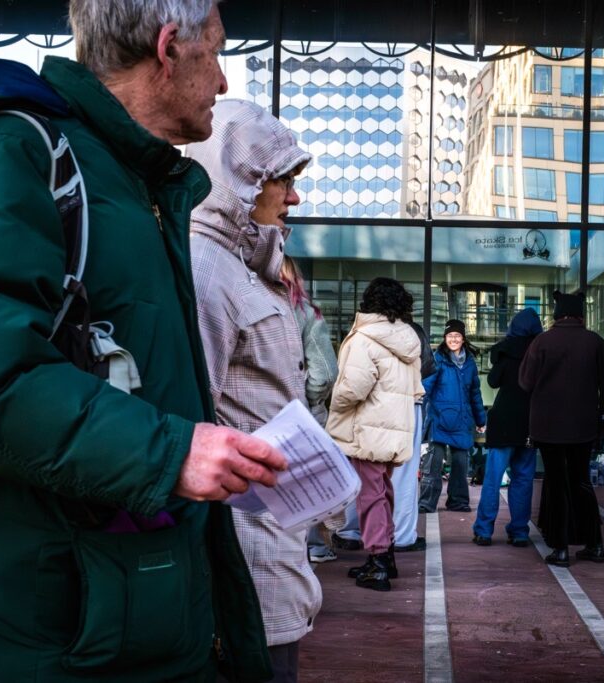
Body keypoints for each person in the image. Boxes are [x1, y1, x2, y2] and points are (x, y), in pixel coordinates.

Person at [0, 2, 287, 680]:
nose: (223, 83)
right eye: (217, 53)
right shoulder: (21, 149)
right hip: (54, 634)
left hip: (124, 622)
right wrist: (171, 451)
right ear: (169, 47)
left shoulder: (140, 184)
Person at [185, 99, 321, 681]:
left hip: (271, 539)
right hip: (244, 552)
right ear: (239, 182)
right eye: (282, 180)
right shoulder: (206, 270)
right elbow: (192, 423)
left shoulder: (240, 267)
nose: (293, 197)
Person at [326, 278, 424, 591]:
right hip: (394, 429)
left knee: (370, 496)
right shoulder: (408, 338)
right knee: (383, 491)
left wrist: (334, 399)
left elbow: (354, 387)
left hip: (368, 429)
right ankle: (385, 557)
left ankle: (378, 561)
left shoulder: (364, 337)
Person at [519, 291, 604, 567]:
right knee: (582, 481)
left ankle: (560, 548)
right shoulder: (595, 342)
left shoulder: (542, 342)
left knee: (556, 484)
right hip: (583, 425)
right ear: (581, 315)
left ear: (557, 314)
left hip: (548, 426)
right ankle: (594, 544)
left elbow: (525, 382)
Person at [280, 254, 341, 564]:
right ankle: (316, 543)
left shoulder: (242, 302)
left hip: (255, 414)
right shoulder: (305, 313)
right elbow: (326, 372)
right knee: (307, 481)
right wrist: (310, 399)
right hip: (300, 415)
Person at [472, 308, 542, 547]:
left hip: (503, 422)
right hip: (530, 423)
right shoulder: (541, 351)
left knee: (493, 477)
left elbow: (493, 381)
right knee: (523, 478)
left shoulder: (507, 349)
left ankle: (484, 530)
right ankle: (520, 531)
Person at [419, 319, 487, 513]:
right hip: (439, 420)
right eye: (450, 336)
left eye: (457, 336)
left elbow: (475, 393)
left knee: (460, 464)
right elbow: (426, 386)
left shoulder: (470, 364)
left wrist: (481, 420)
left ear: (463, 339)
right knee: (432, 465)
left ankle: (458, 501)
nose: (454, 339)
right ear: (445, 338)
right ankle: (426, 503)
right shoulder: (437, 359)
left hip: (462, 422)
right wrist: (415, 404)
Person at [391, 318, 435, 552]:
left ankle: (358, 532)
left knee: (372, 473)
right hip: (410, 403)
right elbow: (428, 365)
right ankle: (402, 535)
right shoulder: (413, 332)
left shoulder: (368, 334)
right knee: (405, 473)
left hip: (379, 407)